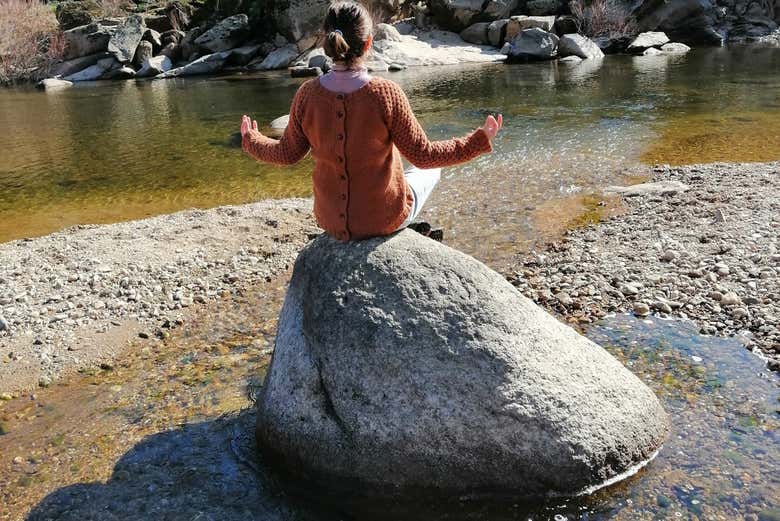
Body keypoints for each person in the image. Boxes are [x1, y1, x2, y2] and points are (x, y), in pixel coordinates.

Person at [240, 1, 502, 242]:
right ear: (368, 44)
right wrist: (477, 141)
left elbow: (286, 154)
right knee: (429, 169)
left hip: (329, 220)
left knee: (395, 155)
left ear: (326, 43)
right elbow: (425, 155)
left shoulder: (307, 94)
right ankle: (405, 225)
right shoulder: (385, 94)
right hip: (382, 219)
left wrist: (252, 140)